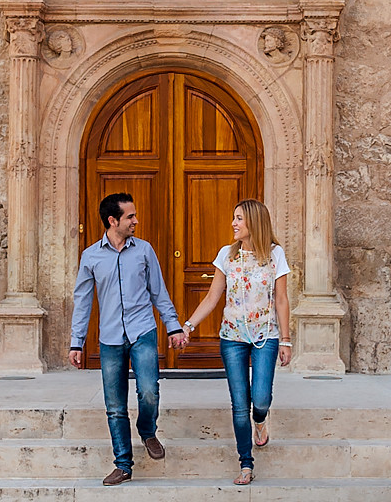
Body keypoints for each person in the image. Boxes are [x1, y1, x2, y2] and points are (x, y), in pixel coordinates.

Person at [69, 192, 188, 486]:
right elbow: (83, 301)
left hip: (142, 330)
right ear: (113, 220)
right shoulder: (91, 256)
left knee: (149, 391)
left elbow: (159, 292)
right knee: (115, 406)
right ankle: (123, 465)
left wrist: (173, 327)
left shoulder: (144, 251)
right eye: (130, 216)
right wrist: (76, 341)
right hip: (110, 337)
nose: (136, 220)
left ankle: (147, 430)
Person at [180, 198, 291, 485]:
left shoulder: (275, 255)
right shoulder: (226, 256)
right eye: (234, 218)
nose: (234, 223)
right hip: (232, 338)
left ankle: (261, 419)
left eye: (239, 218)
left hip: (266, 336)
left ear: (254, 221)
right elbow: (212, 297)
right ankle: (246, 463)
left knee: (261, 398)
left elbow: (281, 299)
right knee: (240, 404)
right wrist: (189, 325)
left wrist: (286, 340)